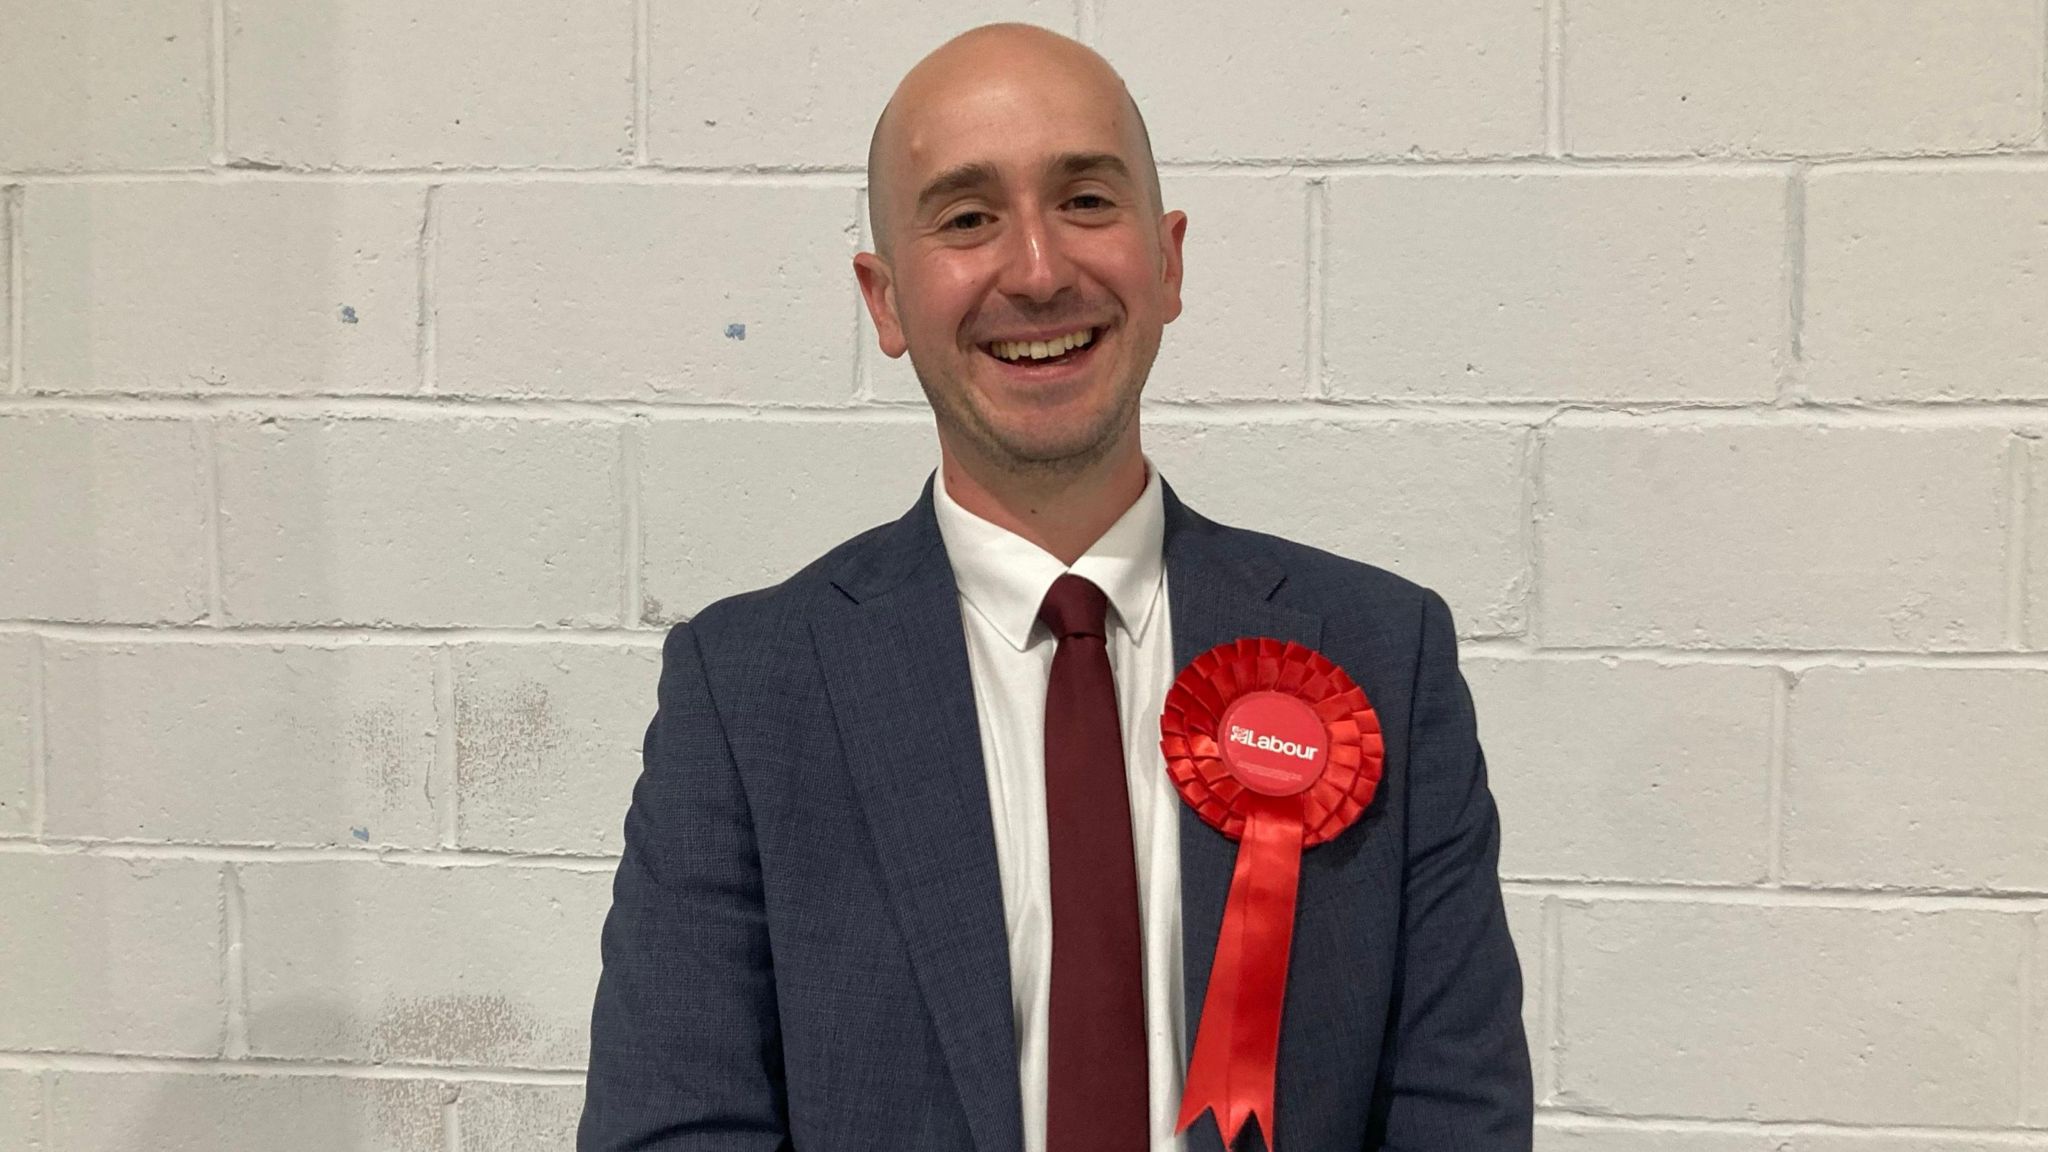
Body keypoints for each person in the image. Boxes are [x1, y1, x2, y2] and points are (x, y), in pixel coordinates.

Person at [579, 22, 1532, 1152]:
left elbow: (1455, 1120)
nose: (1037, 270)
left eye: (1085, 200)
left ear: (1168, 260)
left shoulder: (1382, 655)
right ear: (884, 302)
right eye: (968, 217)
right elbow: (674, 1130)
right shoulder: (747, 693)